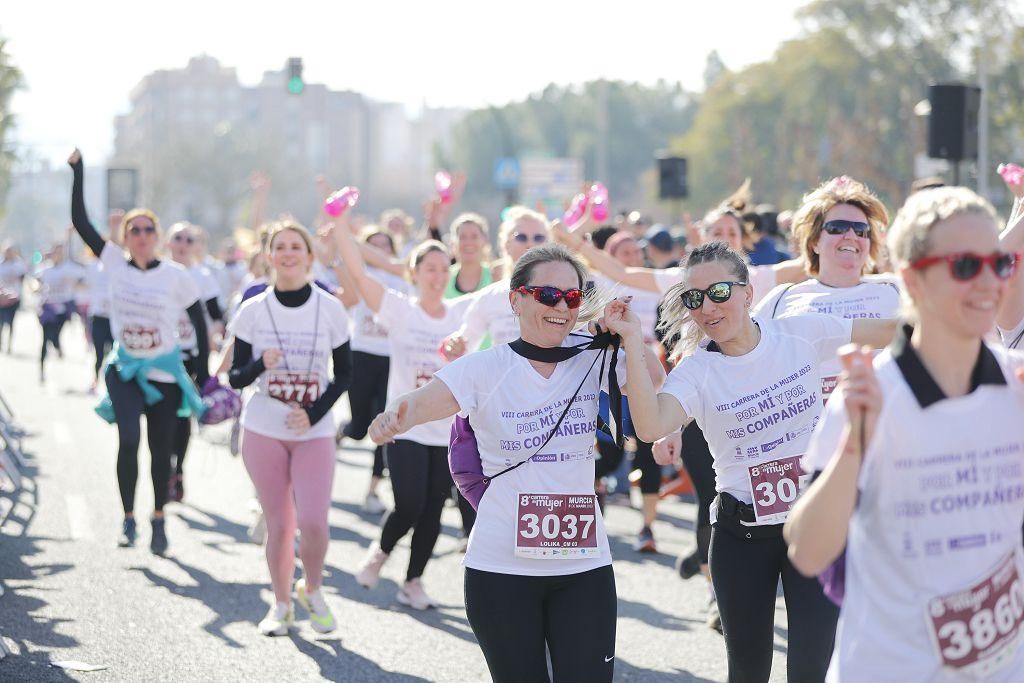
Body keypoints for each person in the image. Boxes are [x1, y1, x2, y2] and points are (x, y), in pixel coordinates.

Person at [368, 243, 665, 683]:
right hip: (500, 567)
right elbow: (423, 401)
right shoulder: (485, 368)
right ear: (516, 299)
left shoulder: (596, 354)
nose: (561, 307)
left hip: (582, 566)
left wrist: (629, 336)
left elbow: (655, 385)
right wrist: (394, 417)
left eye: (572, 297)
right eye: (548, 295)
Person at [622, 241, 896, 682]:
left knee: (812, 667)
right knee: (748, 670)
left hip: (814, 527)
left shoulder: (801, 330)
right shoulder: (696, 371)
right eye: (694, 298)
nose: (707, 307)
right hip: (741, 535)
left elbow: (891, 333)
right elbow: (651, 425)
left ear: (748, 293)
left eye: (719, 292)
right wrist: (633, 341)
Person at [785, 186, 1024, 681]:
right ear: (913, 280)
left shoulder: (1016, 385)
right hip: (890, 668)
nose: (988, 284)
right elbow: (807, 552)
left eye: (999, 265)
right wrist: (855, 444)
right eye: (964, 266)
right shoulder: (873, 393)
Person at [68, 148, 208, 555]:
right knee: (129, 438)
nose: (143, 236)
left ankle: (158, 518)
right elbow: (81, 222)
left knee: (160, 451)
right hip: (126, 369)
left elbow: (197, 319)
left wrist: (198, 370)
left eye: (149, 230)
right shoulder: (112, 262)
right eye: (135, 231)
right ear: (126, 239)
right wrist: (78, 172)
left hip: (165, 371)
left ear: (158, 236)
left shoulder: (174, 276)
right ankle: (128, 517)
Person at [335, 217, 471, 610]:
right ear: (412, 272)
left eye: (444, 269)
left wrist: (464, 353)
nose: (437, 275)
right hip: (404, 425)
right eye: (429, 268)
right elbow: (358, 274)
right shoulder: (399, 310)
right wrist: (340, 222)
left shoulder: (460, 313)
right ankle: (380, 551)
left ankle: (413, 581)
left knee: (432, 510)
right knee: (409, 503)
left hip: (446, 429)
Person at [228, 220, 353, 636]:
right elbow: (235, 378)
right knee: (280, 524)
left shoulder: (330, 308)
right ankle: (280, 605)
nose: (287, 253)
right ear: (269, 256)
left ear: (309, 255)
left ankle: (312, 590)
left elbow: (346, 374)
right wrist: (259, 364)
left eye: (295, 246)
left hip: (313, 430)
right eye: (279, 246)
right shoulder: (253, 310)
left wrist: (314, 413)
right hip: (264, 425)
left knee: (314, 521)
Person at [336, 227, 408, 514]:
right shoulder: (359, 274)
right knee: (359, 428)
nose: (379, 251)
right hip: (362, 355)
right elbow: (349, 297)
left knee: (385, 425)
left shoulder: (403, 277)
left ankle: (373, 490)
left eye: (385, 246)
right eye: (372, 246)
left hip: (391, 358)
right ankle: (343, 431)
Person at [166, 222, 225, 502]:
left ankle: (178, 471)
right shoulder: (159, 272)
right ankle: (164, 466)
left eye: (189, 240)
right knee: (161, 417)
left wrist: (215, 333)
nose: (183, 244)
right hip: (162, 357)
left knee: (182, 418)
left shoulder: (203, 277)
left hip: (191, 357)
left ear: (195, 245)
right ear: (167, 242)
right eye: (177, 238)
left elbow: (217, 314)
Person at [33, 241, 85, 382]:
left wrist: (78, 285)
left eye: (61, 251)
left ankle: (57, 345)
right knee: (44, 339)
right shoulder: (45, 269)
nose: (58, 254)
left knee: (55, 337)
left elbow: (82, 279)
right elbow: (36, 282)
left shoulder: (69, 268)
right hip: (48, 308)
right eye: (56, 251)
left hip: (62, 310)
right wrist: (37, 288)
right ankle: (41, 371)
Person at [0, 244, 27, 354]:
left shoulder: (18, 264)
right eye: (7, 251)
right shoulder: (1, 264)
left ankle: (9, 344)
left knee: (11, 322)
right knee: (1, 322)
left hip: (14, 298)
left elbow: (22, 278)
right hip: (1, 298)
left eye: (10, 251)